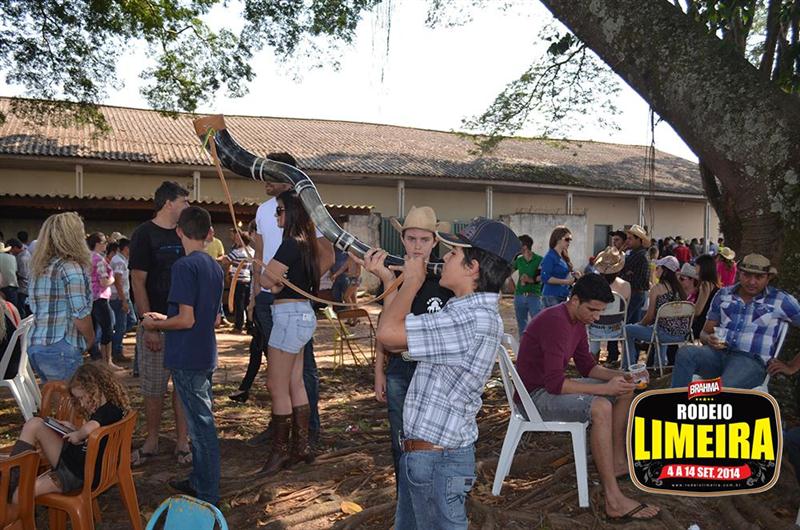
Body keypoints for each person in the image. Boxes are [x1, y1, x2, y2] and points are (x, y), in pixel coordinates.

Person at [376, 217, 521, 529]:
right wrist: (390, 280)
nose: (444, 259)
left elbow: (388, 334)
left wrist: (411, 282)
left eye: (454, 253)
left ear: (472, 268)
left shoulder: (471, 319)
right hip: (427, 457)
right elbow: (397, 338)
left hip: (436, 462)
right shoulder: (461, 311)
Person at [516, 274, 659, 521]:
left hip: (548, 389)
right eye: (593, 310)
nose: (597, 317)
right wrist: (605, 389)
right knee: (601, 406)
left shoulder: (577, 321)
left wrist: (622, 375)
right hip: (533, 398)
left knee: (625, 389)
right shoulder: (556, 322)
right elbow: (555, 384)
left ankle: (617, 461)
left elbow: (587, 367)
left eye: (600, 311)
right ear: (574, 301)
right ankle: (613, 500)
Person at [245, 153, 334, 447]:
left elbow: (327, 255)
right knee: (280, 372)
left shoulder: (309, 208)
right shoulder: (263, 210)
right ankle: (283, 431)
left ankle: (308, 432)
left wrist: (298, 283)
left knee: (300, 371)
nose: (265, 179)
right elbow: (259, 255)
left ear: (288, 175)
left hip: (290, 302)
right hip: (268, 299)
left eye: (272, 173)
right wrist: (255, 295)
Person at [363, 205, 454, 492]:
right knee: (400, 439)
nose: (417, 246)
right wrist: (380, 372)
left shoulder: (447, 278)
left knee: (433, 439)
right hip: (401, 368)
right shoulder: (394, 274)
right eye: (411, 239)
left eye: (424, 239)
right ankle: (406, 499)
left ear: (435, 241)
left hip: (435, 370)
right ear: (402, 240)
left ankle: (433, 496)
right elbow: (387, 328)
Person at [141, 206, 224, 505]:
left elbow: (187, 319)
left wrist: (155, 325)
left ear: (179, 231)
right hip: (204, 352)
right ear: (208, 233)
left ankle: (208, 493)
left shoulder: (184, 266)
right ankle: (200, 480)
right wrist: (167, 317)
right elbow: (211, 318)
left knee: (201, 428)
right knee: (201, 423)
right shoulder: (214, 266)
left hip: (187, 355)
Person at [257, 191, 321, 475]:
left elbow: (265, 279)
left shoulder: (290, 244)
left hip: (289, 317)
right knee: (295, 382)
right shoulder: (306, 244)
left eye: (280, 210)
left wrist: (271, 282)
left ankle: (280, 451)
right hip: (302, 314)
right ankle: (301, 447)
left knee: (276, 385)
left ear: (293, 212)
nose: (276, 216)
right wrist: (275, 283)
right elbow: (276, 282)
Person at [129, 181, 192, 465]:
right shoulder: (144, 234)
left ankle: (182, 441)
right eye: (184, 201)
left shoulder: (185, 232)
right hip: (156, 324)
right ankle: (152, 440)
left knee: (183, 386)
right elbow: (137, 281)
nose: (188, 206)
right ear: (168, 203)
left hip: (183, 323)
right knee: (154, 387)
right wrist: (148, 325)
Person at [672, 254, 800, 389]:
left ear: (768, 278)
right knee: (685, 353)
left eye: (759, 277)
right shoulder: (724, 294)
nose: (752, 282)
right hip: (717, 355)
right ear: (739, 273)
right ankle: (679, 398)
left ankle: (699, 395)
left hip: (750, 361)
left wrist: (792, 366)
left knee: (720, 388)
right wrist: (708, 339)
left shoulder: (780, 300)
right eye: (747, 275)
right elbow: (704, 333)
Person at [7, 363, 128, 502]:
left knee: (19, 495)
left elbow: (89, 429)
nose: (81, 404)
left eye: (82, 398)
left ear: (95, 389)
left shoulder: (106, 411)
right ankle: (11, 476)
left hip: (77, 474)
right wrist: (74, 430)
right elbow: (95, 435)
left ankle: (10, 481)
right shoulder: (113, 409)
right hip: (77, 464)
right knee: (34, 424)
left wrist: (78, 435)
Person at [28, 212, 94, 383]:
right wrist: (90, 338)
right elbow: (80, 314)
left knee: (56, 397)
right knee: (69, 398)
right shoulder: (70, 268)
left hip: (37, 344)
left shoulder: (39, 268)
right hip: (62, 345)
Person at [624, 255, 688, 368]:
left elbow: (649, 317)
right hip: (682, 334)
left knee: (627, 329)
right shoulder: (680, 289)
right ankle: (659, 365)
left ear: (664, 271)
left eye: (658, 268)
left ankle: (628, 365)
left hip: (662, 333)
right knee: (659, 326)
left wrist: (639, 325)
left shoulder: (657, 289)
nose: (655, 270)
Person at [87, 232, 121, 371]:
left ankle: (97, 359)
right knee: (108, 328)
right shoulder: (99, 259)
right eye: (104, 242)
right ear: (98, 244)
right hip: (100, 297)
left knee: (93, 329)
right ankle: (107, 361)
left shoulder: (86, 257)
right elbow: (104, 281)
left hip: (89, 298)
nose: (106, 245)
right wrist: (112, 279)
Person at [588, 247, 630, 360]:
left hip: (596, 328)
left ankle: (593, 358)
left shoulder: (593, 285)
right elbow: (626, 308)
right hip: (616, 329)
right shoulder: (626, 285)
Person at [220, 230, 253, 332]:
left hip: (238, 281)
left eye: (238, 239)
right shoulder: (252, 251)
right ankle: (249, 325)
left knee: (239, 304)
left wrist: (218, 258)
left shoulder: (237, 252)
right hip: (248, 279)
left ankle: (238, 326)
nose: (236, 240)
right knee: (247, 303)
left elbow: (226, 261)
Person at [110, 238, 137, 364]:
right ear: (126, 248)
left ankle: (114, 343)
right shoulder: (119, 261)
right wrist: (123, 300)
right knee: (121, 325)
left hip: (122, 296)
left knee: (130, 321)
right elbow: (118, 281)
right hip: (119, 297)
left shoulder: (122, 260)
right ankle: (116, 351)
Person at [512, 234, 543, 336]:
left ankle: (537, 344)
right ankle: (523, 345)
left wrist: (529, 279)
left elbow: (542, 277)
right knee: (522, 327)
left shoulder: (539, 259)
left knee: (537, 325)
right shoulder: (519, 260)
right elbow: (507, 272)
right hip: (519, 296)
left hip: (534, 296)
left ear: (524, 246)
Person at [620, 224, 651, 326]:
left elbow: (641, 280)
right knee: (632, 326)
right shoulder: (633, 253)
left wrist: (626, 275)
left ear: (639, 240)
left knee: (622, 324)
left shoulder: (640, 255)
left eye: (630, 238)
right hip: (634, 294)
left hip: (635, 293)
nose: (627, 241)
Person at [541, 226, 578, 307]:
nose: (569, 242)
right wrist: (566, 282)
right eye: (567, 239)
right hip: (551, 296)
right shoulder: (550, 257)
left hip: (562, 295)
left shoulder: (563, 256)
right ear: (558, 239)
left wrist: (574, 274)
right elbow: (545, 278)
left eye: (570, 240)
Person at [691, 254, 720, 339]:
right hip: (709, 323)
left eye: (696, 265)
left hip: (701, 325)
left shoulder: (705, 285)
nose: (695, 268)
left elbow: (697, 311)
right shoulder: (714, 284)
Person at [7, 239, 31, 317]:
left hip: (23, 288)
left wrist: (13, 274)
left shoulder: (23, 258)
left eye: (11, 249)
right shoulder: (22, 254)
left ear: (15, 247)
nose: (10, 251)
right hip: (23, 287)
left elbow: (24, 275)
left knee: (21, 310)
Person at [0, 239, 19, 309]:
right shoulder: (13, 258)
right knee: (12, 309)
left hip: (1, 287)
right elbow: (15, 271)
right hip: (12, 286)